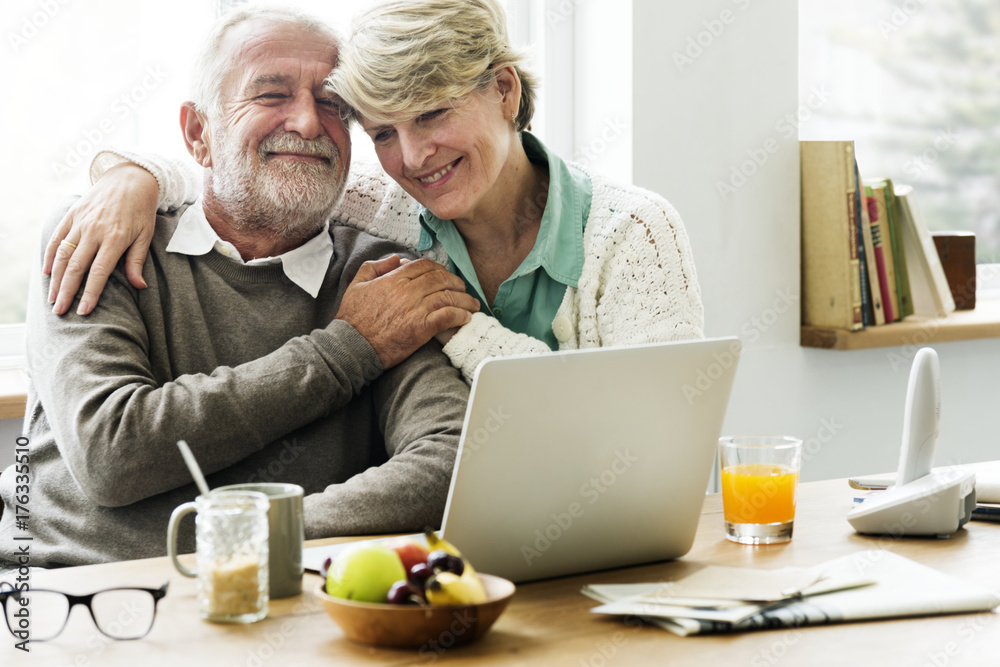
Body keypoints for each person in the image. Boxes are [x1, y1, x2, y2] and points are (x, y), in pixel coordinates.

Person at [0, 7, 476, 571]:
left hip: (281, 599)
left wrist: (256, 536)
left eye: (331, 104)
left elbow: (452, 459)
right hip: (70, 601)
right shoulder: (98, 236)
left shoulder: (378, 276)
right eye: (272, 95)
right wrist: (348, 349)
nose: (306, 122)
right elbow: (113, 452)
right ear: (199, 134)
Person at [45, 0, 704, 383]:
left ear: (504, 90)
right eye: (384, 132)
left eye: (434, 114)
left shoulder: (632, 231)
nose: (413, 159)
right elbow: (248, 169)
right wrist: (132, 177)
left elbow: (650, 447)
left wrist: (458, 325)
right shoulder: (379, 206)